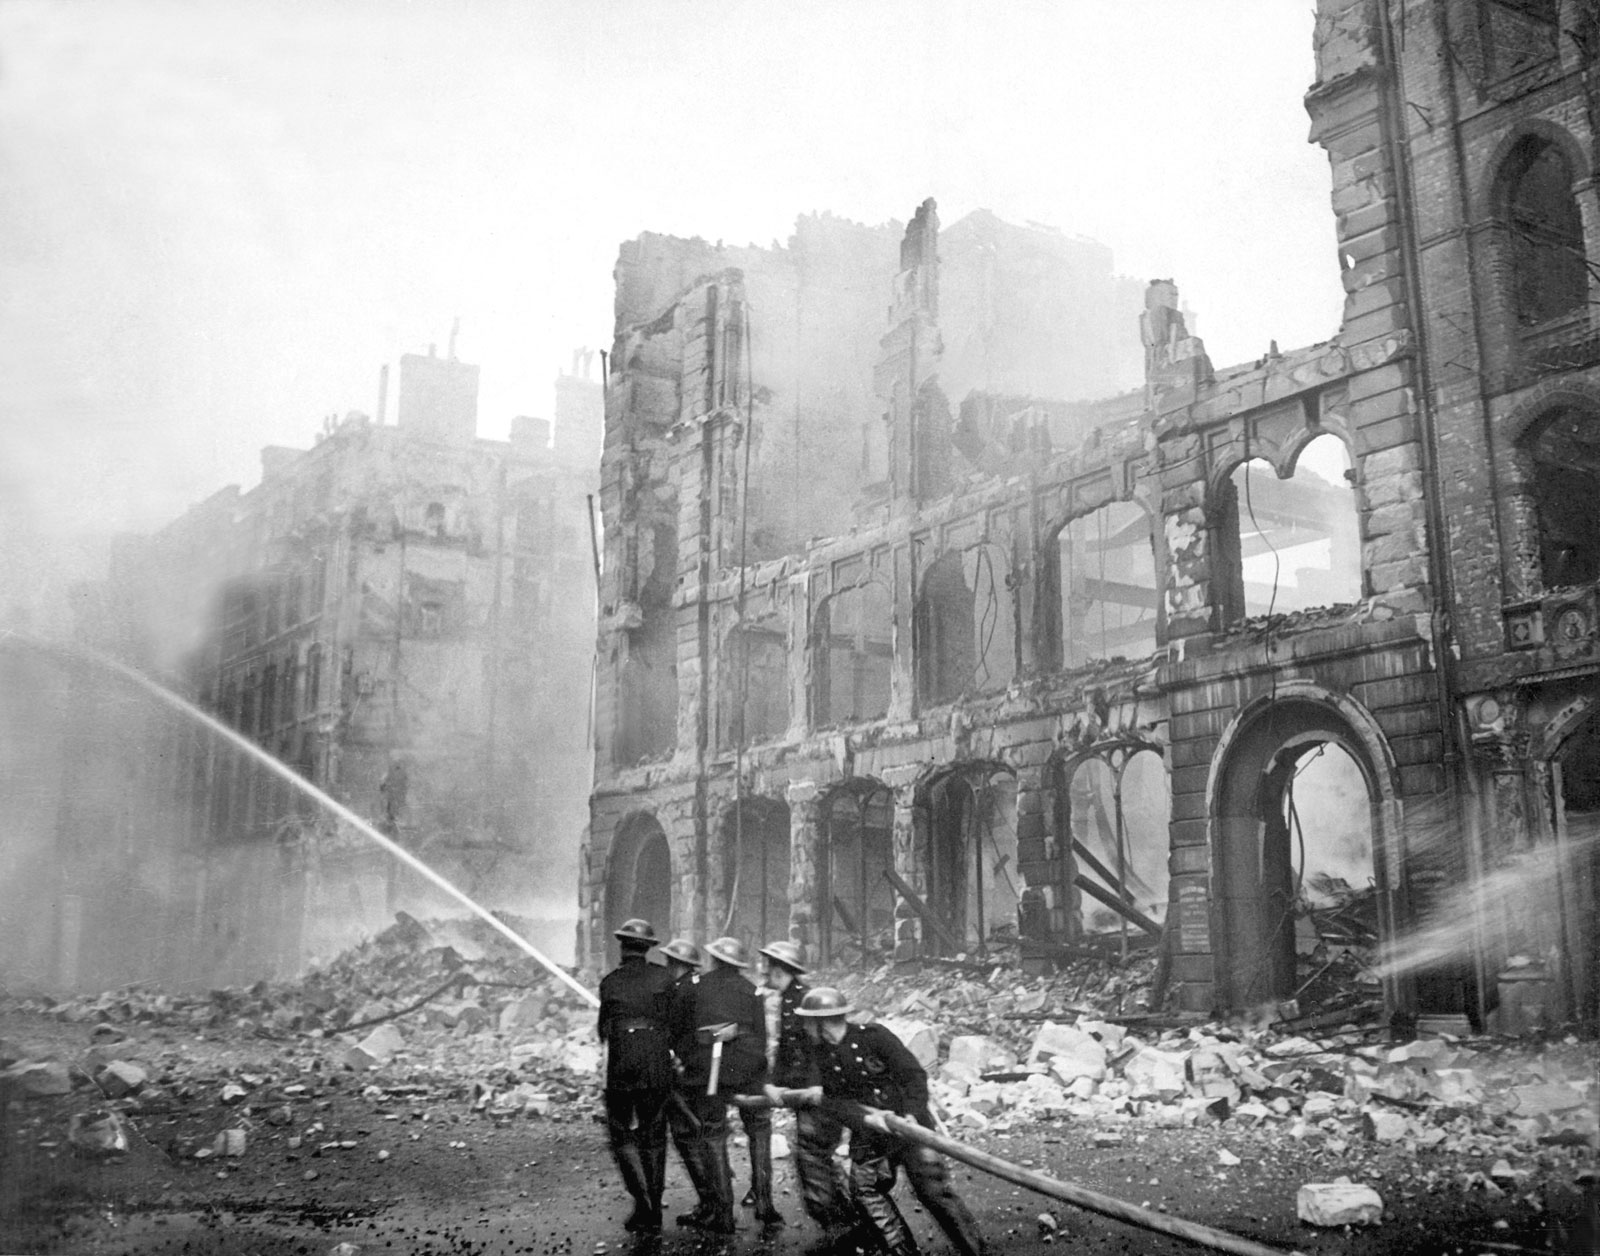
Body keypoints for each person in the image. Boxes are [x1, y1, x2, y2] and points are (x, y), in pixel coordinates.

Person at [767, 987, 986, 1256]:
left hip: (910, 1125)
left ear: (821, 1022)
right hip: (871, 1133)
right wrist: (867, 1118)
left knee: (932, 1190)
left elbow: (913, 1075)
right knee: (864, 1189)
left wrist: (911, 1114)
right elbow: (835, 1103)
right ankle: (902, 1251)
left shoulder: (875, 1037)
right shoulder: (823, 1054)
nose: (804, 1026)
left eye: (808, 1021)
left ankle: (975, 1251)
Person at [667, 935, 768, 1234]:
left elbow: (679, 1031)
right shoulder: (753, 991)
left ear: (713, 959)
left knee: (712, 1134)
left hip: (707, 1072)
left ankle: (722, 1213)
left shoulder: (695, 987)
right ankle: (765, 1204)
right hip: (747, 1071)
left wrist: (688, 1058)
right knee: (759, 1128)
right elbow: (761, 1038)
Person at [757, 939, 853, 1232]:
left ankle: (841, 1225)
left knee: (813, 1156)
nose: (765, 971)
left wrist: (815, 1085)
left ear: (779, 969)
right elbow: (787, 1051)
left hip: (819, 1092)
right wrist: (772, 1085)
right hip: (805, 1091)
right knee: (816, 1158)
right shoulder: (790, 999)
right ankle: (845, 1221)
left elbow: (819, 1050)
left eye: (769, 966)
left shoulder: (806, 1001)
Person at [596, 918, 676, 1233]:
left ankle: (641, 1202)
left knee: (620, 1132)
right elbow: (675, 1023)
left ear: (623, 946)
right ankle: (654, 1206)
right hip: (655, 1064)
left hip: (622, 1065)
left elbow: (603, 1031)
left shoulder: (609, 982)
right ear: (648, 948)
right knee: (654, 1133)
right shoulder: (665, 978)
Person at [657, 938, 716, 1222]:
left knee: (686, 1137)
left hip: (686, 1073)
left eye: (669, 962)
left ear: (676, 964)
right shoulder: (704, 986)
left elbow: (671, 1032)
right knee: (704, 1134)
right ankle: (716, 1199)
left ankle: (709, 1203)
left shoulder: (678, 993)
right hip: (706, 1072)